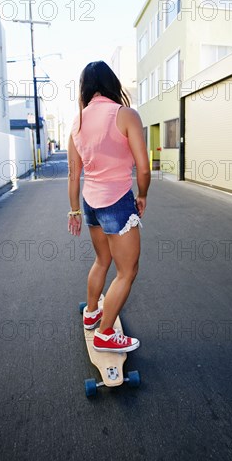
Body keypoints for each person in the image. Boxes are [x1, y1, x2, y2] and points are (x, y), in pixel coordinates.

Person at [67, 61, 150, 353]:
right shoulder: (125, 114)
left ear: (85, 88)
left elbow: (73, 175)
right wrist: (142, 195)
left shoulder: (76, 123)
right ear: (111, 83)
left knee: (102, 261)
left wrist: (74, 210)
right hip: (116, 201)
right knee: (127, 271)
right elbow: (143, 167)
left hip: (90, 203)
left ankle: (92, 312)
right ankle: (104, 334)